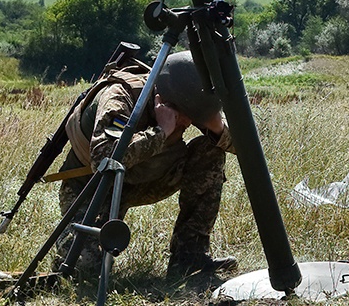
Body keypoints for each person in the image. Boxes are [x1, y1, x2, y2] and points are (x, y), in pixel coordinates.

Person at [55, 50, 238, 279]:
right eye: (184, 116)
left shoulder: (187, 100)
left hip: (145, 180)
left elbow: (246, 147)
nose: (189, 122)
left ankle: (189, 258)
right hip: (94, 188)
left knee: (210, 151)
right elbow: (104, 159)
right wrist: (161, 131)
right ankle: (70, 248)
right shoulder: (121, 96)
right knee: (86, 270)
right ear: (165, 100)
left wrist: (218, 129)